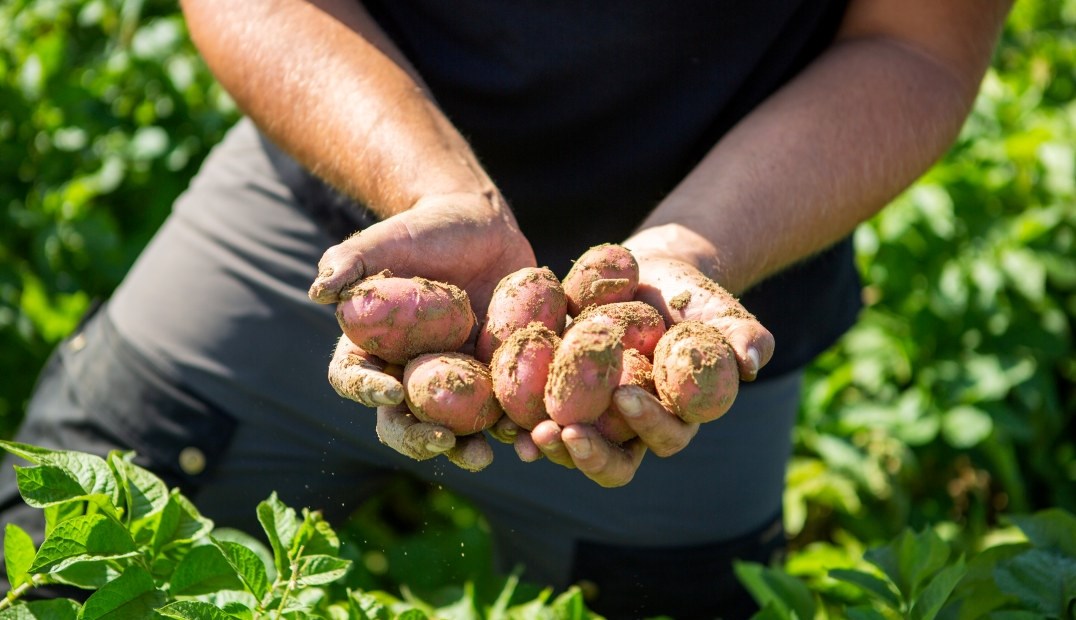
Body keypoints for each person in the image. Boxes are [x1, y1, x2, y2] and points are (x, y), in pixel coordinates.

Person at [0, 0, 1011, 617]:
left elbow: (916, 42)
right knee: (51, 552)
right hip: (343, 213)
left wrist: (693, 246)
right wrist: (430, 189)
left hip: (693, 293)